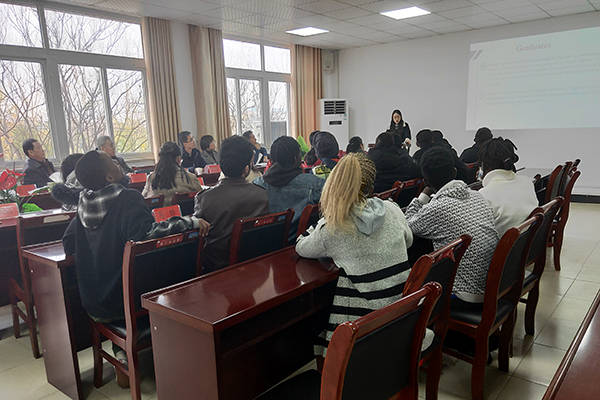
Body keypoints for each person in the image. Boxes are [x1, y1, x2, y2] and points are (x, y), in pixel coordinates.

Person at [62, 149, 209, 386]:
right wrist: (189, 221)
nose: (116, 161)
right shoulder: (127, 198)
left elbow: (69, 243)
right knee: (178, 275)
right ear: (110, 177)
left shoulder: (83, 203)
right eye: (111, 161)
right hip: (127, 301)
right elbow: (147, 234)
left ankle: (121, 353)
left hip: (94, 301)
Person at [296, 152, 413, 353]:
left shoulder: (334, 227)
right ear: (371, 189)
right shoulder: (392, 208)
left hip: (364, 331)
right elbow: (408, 241)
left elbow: (301, 246)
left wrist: (325, 220)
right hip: (403, 316)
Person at [405, 147, 498, 303]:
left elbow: (406, 227)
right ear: (454, 172)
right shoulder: (478, 196)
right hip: (490, 285)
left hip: (462, 294)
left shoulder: (437, 208)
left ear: (426, 181)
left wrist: (423, 196)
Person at [193, 135, 269, 273]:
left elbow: (198, 237)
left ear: (221, 166)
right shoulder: (262, 195)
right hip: (256, 265)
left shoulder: (204, 199)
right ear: (246, 168)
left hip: (216, 269)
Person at [253, 136, 325, 243]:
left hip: (264, 246)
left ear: (271, 161)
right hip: (301, 246)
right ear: (297, 159)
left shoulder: (256, 185)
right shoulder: (317, 185)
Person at [478, 138, 538, 237]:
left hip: (502, 245)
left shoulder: (484, 195)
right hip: (528, 241)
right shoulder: (526, 181)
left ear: (485, 165)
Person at [142, 141, 202, 206]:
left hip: (159, 212)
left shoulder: (152, 178)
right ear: (178, 158)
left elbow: (143, 199)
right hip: (185, 212)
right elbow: (201, 198)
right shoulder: (190, 178)